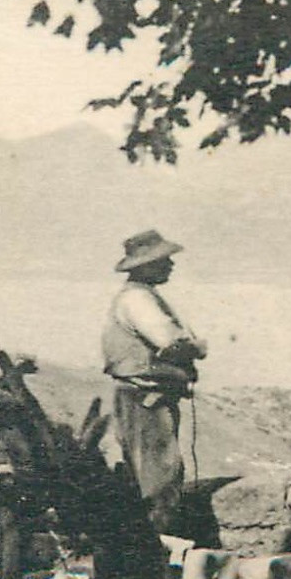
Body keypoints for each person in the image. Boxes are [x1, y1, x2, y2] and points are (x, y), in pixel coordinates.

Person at [102, 229, 207, 535]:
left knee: (153, 476)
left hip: (144, 399)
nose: (170, 265)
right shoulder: (137, 299)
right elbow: (170, 342)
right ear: (145, 265)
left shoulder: (143, 296)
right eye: (163, 260)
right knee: (159, 480)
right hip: (145, 401)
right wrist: (198, 347)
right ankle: (162, 557)